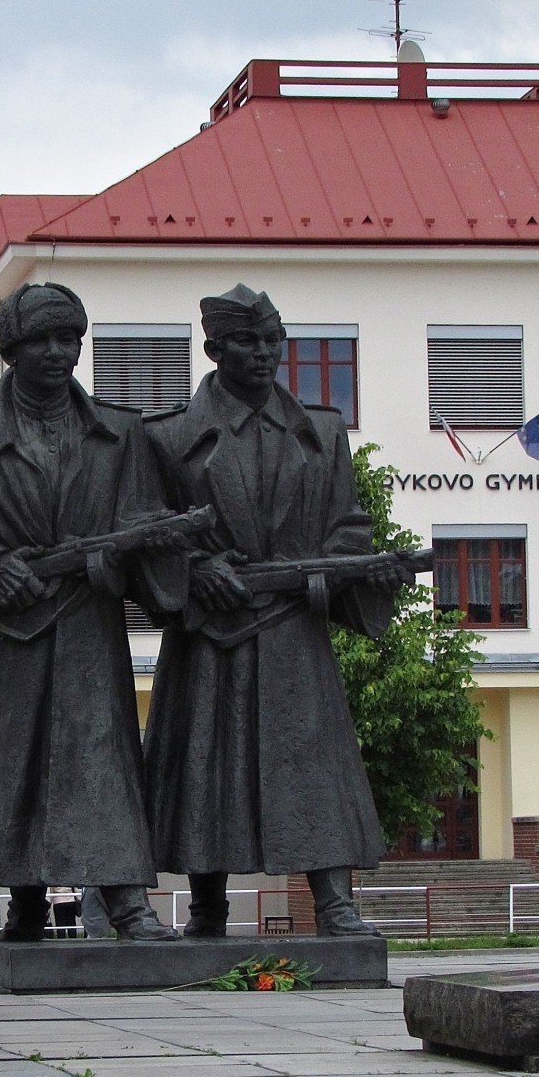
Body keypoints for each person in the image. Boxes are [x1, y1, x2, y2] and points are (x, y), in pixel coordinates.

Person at [0, 282, 181, 942]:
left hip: (86, 625)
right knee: (13, 761)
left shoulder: (121, 435)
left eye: (69, 338)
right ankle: (24, 906)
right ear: (11, 350)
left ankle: (126, 903)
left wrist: (124, 561)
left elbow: (144, 529)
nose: (57, 353)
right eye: (41, 340)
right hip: (7, 633)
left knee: (101, 759)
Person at [143, 284, 408, 937]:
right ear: (213, 348)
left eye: (272, 340)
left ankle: (335, 903)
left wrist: (344, 570)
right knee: (207, 775)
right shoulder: (170, 436)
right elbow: (147, 532)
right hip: (214, 636)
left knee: (313, 770)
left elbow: (347, 524)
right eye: (246, 341)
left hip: (293, 632)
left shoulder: (320, 432)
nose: (264, 354)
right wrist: (197, 570)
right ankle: (206, 908)